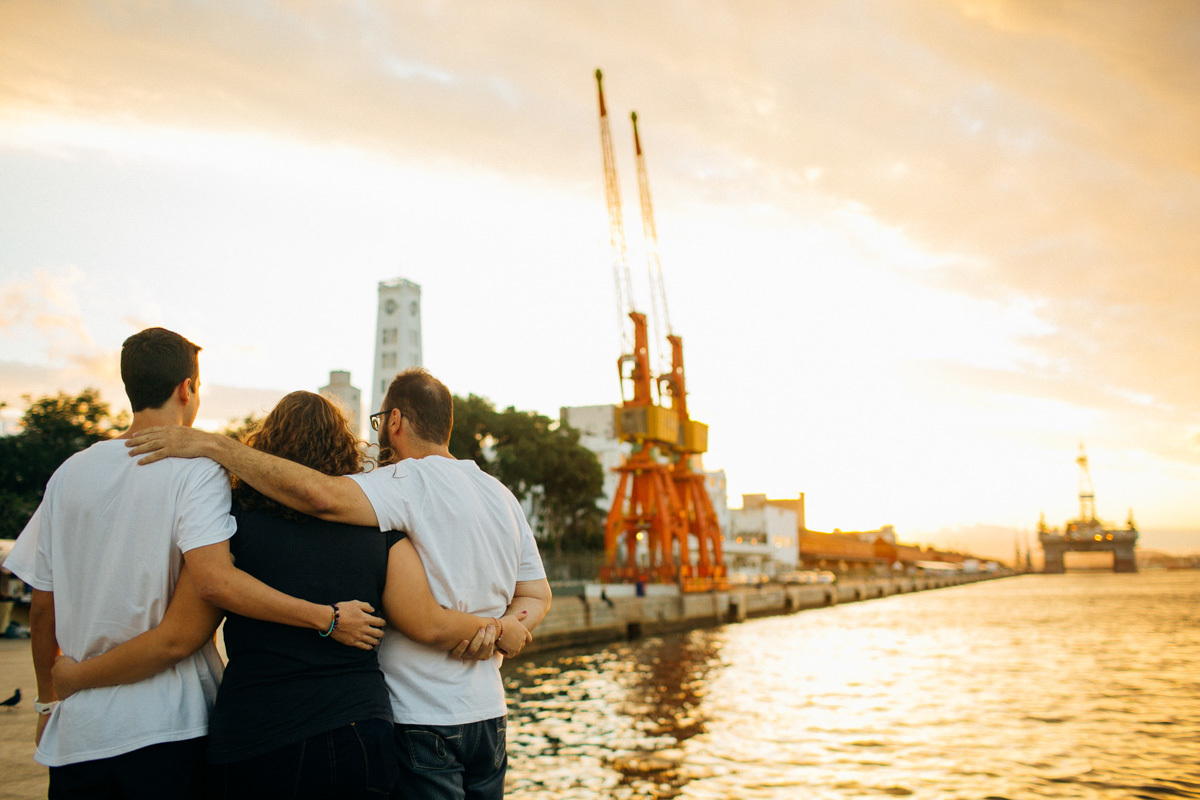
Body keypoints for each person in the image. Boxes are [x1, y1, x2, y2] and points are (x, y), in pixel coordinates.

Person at [53, 390, 527, 799]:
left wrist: (75, 676)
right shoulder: (382, 529)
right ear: (344, 445)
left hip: (256, 734)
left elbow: (192, 623)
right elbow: (422, 618)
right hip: (360, 731)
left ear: (266, 444)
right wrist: (500, 627)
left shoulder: (231, 524)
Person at [3, 327, 383, 799]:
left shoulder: (70, 473)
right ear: (188, 388)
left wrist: (50, 699)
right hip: (167, 728)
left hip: (78, 736)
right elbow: (186, 627)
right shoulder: (198, 472)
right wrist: (325, 617)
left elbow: (44, 603)